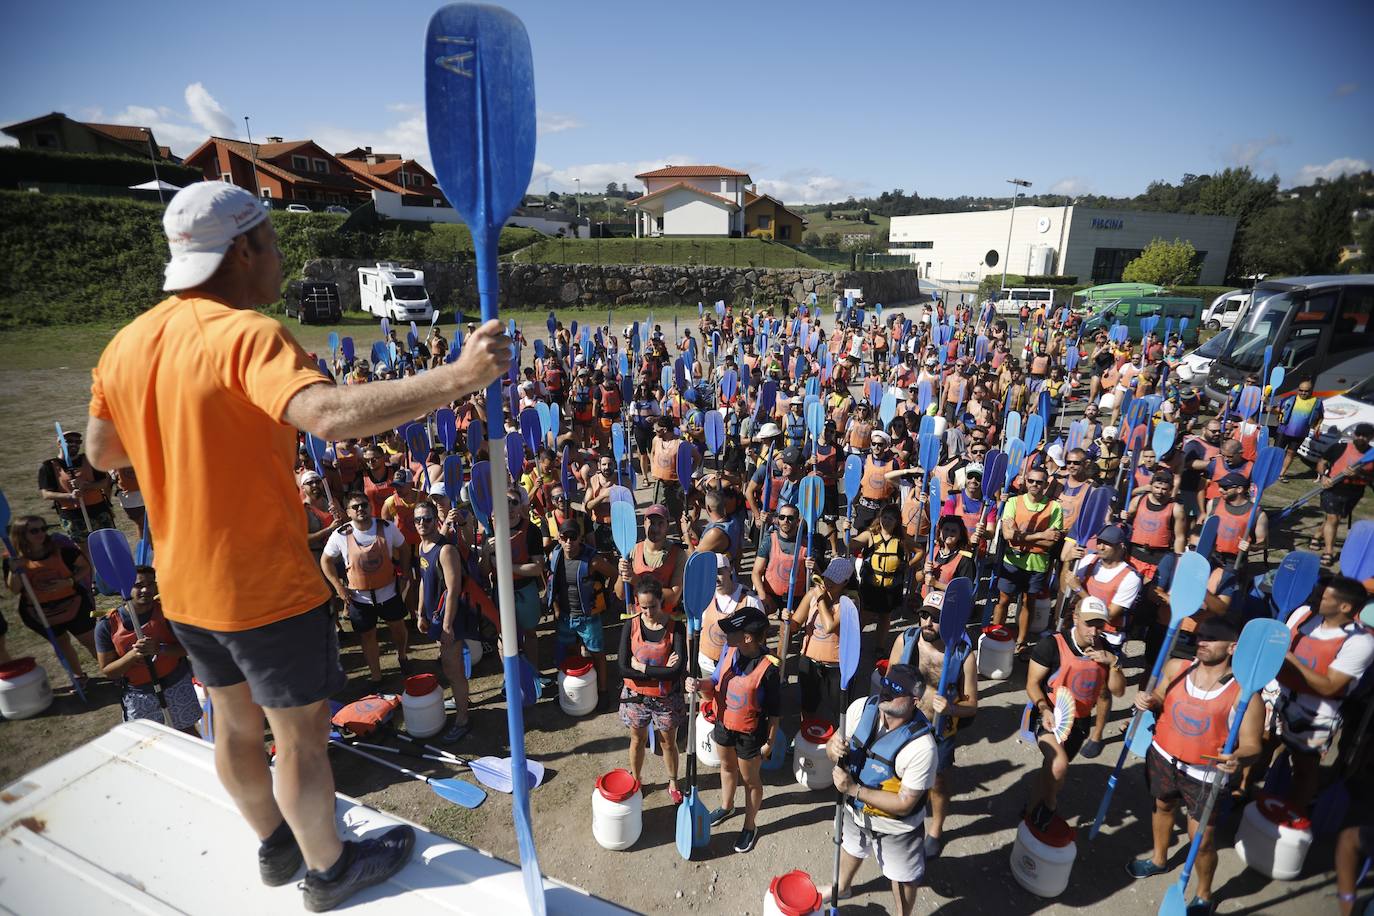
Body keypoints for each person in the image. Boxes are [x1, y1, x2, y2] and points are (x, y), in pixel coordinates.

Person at [86, 182, 510, 907]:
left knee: (234, 725)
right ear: (242, 248)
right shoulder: (247, 335)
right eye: (274, 243)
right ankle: (329, 868)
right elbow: (330, 417)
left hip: (183, 582)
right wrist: (459, 378)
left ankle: (277, 848)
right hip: (261, 583)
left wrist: (187, 443)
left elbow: (100, 452)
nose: (280, 258)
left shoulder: (126, 344)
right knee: (301, 734)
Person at [1126, 617, 1264, 912]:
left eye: (1211, 638)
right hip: (1163, 755)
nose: (1201, 642)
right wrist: (1148, 700)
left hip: (1204, 774)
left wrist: (1239, 757)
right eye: (1201, 635)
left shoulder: (1244, 694)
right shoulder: (1177, 668)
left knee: (1200, 840)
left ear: (1232, 647)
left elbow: (1253, 745)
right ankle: (1159, 859)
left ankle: (1204, 894)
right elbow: (1162, 696)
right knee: (1162, 806)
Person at [822, 663, 938, 916]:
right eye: (886, 684)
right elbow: (833, 743)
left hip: (895, 826)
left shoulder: (922, 748)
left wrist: (853, 789)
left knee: (903, 876)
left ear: (914, 701)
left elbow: (906, 802)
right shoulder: (861, 708)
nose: (886, 691)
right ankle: (841, 887)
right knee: (851, 847)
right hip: (853, 811)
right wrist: (834, 749)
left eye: (896, 690)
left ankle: (902, 914)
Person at [1265, 575, 1373, 815]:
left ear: (1344, 607)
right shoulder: (1303, 613)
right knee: (1261, 746)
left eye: (1324, 596)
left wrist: (1291, 660)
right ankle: (1245, 792)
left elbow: (1329, 687)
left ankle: (1292, 816)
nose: (1316, 597)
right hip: (1277, 694)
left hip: (1315, 712)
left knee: (1304, 769)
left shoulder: (1361, 642)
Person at [886, 591, 977, 857]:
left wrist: (951, 707)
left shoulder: (964, 656)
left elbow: (972, 707)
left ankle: (936, 829)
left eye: (935, 619)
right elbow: (890, 678)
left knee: (938, 783)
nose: (927, 622)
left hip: (940, 730)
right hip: (905, 724)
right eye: (924, 615)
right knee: (896, 772)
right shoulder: (906, 640)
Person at [1024, 596, 1125, 831]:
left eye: (1100, 625)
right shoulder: (1051, 645)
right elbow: (1032, 684)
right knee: (1058, 765)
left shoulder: (1106, 650)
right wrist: (1044, 708)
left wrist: (1113, 662)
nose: (1094, 630)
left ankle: (1030, 809)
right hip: (1048, 714)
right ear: (1076, 618)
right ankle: (1050, 805)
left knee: (1051, 770)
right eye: (1089, 623)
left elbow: (1118, 691)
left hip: (1079, 722)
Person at [686, 605, 779, 854]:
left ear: (747, 638)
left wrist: (769, 742)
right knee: (727, 768)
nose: (724, 635)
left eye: (731, 631)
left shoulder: (770, 668)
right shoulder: (729, 649)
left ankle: (750, 825)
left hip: (750, 733)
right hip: (723, 724)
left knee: (750, 781)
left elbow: (775, 711)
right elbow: (714, 681)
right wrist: (699, 683)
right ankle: (727, 806)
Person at [93, 564, 201, 736]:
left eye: (151, 584)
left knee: (187, 732)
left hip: (176, 682)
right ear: (125, 587)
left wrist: (160, 649)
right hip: (139, 693)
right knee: (147, 741)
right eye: (139, 585)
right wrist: (132, 656)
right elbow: (109, 671)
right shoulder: (107, 625)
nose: (146, 589)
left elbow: (188, 649)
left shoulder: (167, 612)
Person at [1066, 524, 1143, 758]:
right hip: (1078, 631)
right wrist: (1067, 563)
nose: (1099, 546)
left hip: (1107, 637)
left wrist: (1079, 591)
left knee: (1102, 690)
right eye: (1098, 541)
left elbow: (1109, 614)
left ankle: (1097, 734)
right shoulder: (1088, 560)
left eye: (1106, 543)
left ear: (1120, 547)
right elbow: (1064, 586)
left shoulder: (1130, 577)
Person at [322, 493, 412, 683]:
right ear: (348, 512)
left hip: (388, 593)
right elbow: (326, 560)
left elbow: (404, 548)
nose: (360, 509)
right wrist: (338, 587)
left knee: (398, 627)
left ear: (370, 507)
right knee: (367, 636)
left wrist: (404, 574)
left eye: (363, 505)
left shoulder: (387, 528)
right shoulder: (340, 535)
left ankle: (402, 656)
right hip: (359, 598)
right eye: (355, 507)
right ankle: (376, 676)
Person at [3, 514, 97, 687]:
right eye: (34, 531)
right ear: (21, 534)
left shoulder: (62, 550)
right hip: (39, 613)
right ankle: (79, 676)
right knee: (62, 643)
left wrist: (68, 581)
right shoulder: (13, 560)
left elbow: (85, 567)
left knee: (91, 640)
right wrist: (14, 570)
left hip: (75, 605)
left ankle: (116, 674)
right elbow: (15, 590)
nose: (41, 534)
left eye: (43, 529)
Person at [618, 578, 687, 801]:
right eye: (643, 607)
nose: (647, 612)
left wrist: (643, 667)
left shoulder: (676, 627)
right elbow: (622, 667)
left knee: (668, 743)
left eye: (653, 606)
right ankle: (636, 779)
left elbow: (677, 671)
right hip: (636, 697)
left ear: (662, 602)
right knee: (637, 739)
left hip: (666, 698)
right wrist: (658, 671)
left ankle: (673, 782)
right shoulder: (631, 624)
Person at [413, 501, 470, 744]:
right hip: (436, 616)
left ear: (436, 519)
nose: (422, 524)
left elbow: (453, 589)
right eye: (418, 520)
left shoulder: (446, 550)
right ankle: (462, 704)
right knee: (450, 666)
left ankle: (462, 721)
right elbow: (425, 580)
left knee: (452, 669)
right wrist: (420, 612)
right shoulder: (422, 545)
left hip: (451, 618)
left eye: (427, 519)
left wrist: (447, 626)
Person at [992, 466, 1064, 656]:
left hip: (1038, 563)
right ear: (1025, 481)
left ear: (1046, 484)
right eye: (1031, 480)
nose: (1034, 485)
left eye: (1039, 482)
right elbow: (1008, 534)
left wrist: (1020, 536)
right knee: (1003, 600)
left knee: (1028, 602)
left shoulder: (1055, 507)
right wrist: (1040, 534)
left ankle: (1021, 641)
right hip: (1012, 560)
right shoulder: (1014, 502)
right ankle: (995, 635)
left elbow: (1051, 540)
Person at [547, 519, 618, 705]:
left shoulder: (592, 560)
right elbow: (552, 586)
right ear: (559, 539)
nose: (569, 542)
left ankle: (602, 692)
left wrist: (606, 596)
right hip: (565, 616)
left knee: (597, 654)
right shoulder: (554, 558)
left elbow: (614, 573)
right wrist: (555, 609)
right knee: (569, 652)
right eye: (564, 537)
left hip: (589, 617)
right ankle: (572, 689)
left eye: (573, 537)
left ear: (580, 538)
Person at [791, 557, 854, 719]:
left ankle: (838, 737)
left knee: (839, 708)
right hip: (810, 661)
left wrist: (820, 599)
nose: (829, 582)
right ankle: (806, 732)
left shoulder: (850, 602)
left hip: (837, 666)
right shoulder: (812, 594)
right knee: (808, 703)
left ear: (846, 582)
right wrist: (787, 621)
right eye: (828, 577)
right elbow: (795, 624)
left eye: (835, 579)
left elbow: (830, 626)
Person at [37, 427, 116, 544]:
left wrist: (86, 485)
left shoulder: (90, 460)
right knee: (84, 548)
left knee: (111, 544)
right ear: (59, 443)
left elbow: (105, 482)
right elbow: (46, 494)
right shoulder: (48, 466)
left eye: (78, 441)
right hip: (72, 515)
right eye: (69, 441)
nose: (74, 444)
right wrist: (70, 496)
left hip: (99, 510)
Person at [1315, 423, 1373, 566]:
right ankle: (1328, 552)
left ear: (1371, 438)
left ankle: (1317, 535)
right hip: (1333, 488)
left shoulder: (1371, 456)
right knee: (1333, 519)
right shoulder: (1340, 448)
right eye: (1358, 434)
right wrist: (1323, 476)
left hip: (1354, 492)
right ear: (1354, 434)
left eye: (1365, 436)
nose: (1361, 438)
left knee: (1334, 519)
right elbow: (1322, 462)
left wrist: (1360, 473)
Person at [698, 554, 763, 677]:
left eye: (719, 572)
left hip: (737, 667)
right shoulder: (705, 596)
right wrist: (691, 659)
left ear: (729, 569)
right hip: (707, 665)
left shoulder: (750, 600)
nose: (715, 578)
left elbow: (760, 638)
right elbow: (695, 628)